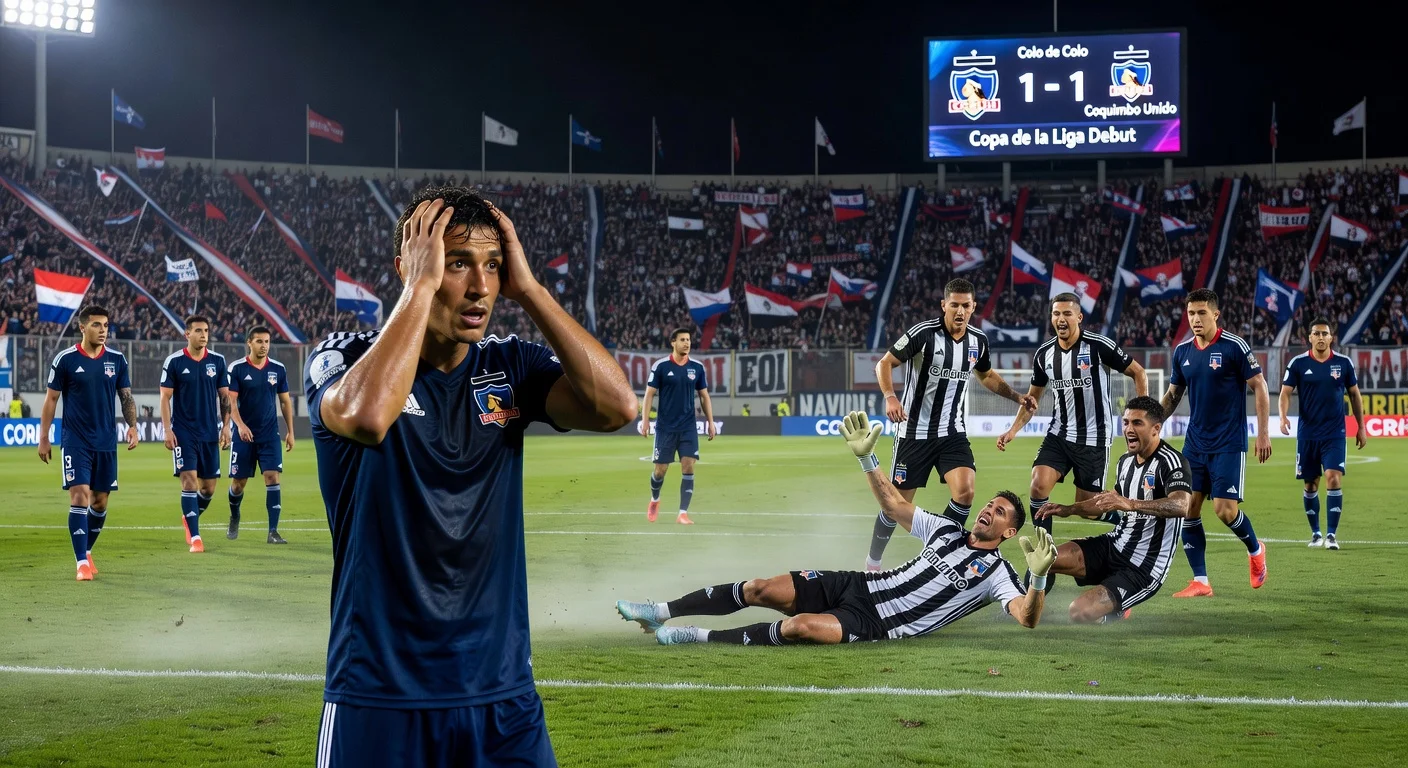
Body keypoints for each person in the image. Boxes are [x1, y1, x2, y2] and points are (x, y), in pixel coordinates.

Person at [306, 189, 636, 767]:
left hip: (503, 697)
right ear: (410, 265)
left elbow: (618, 407)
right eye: (457, 262)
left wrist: (530, 290)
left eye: (492, 266)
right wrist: (420, 288)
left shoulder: (510, 367)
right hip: (380, 697)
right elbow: (366, 416)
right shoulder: (344, 358)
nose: (481, 287)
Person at [615, 411, 1052, 645]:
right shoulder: (944, 530)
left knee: (799, 627)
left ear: (1010, 533)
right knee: (761, 587)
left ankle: (697, 636)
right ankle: (660, 611)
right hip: (856, 584)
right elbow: (893, 504)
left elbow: (1026, 618)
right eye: (989, 505)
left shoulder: (998, 575)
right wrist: (868, 458)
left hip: (877, 622)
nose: (988, 511)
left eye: (998, 513)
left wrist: (1036, 577)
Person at [866, 278, 1036, 570]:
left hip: (952, 433)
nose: (960, 311)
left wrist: (1017, 396)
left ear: (973, 307)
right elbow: (884, 363)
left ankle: (939, 556)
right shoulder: (923, 334)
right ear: (944, 305)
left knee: (966, 492)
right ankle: (873, 561)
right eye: (954, 304)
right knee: (895, 506)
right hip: (914, 434)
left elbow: (987, 376)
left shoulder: (977, 342)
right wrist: (890, 397)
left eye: (965, 305)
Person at [997, 293, 1148, 589]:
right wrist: (1013, 429)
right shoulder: (1044, 355)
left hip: (1094, 438)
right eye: (1055, 314)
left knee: (1088, 507)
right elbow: (1033, 400)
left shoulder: (1097, 346)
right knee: (1038, 485)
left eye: (1067, 313)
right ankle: (1045, 558)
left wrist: (1142, 415)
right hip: (1059, 434)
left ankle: (1127, 516)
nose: (1060, 319)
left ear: (1079, 317)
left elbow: (1138, 371)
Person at [1035, 397, 1190, 622]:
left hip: (1143, 568)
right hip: (1113, 546)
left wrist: (1131, 504)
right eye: (1126, 422)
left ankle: (1114, 611)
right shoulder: (1125, 462)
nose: (1128, 429)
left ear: (1156, 428)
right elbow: (1107, 502)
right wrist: (1070, 509)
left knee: (1078, 612)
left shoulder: (1172, 462)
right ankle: (1029, 610)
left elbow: (1181, 505)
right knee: (1044, 560)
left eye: (1137, 423)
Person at [1160, 289, 1270, 596]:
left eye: (1201, 313)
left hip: (1228, 443)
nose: (1195, 319)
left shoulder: (1234, 346)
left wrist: (1262, 433)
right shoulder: (1182, 352)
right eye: (1191, 314)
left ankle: (1255, 550)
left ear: (1215, 314)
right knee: (1187, 508)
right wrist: (1153, 421)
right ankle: (1201, 582)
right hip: (1195, 444)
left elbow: (1259, 387)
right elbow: (1172, 396)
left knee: (1224, 510)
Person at [37, 305, 138, 581]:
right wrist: (44, 436)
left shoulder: (117, 360)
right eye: (96, 325)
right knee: (79, 495)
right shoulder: (66, 359)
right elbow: (51, 400)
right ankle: (81, 562)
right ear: (82, 328)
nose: (103, 330)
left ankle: (87, 550)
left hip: (105, 441)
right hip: (75, 440)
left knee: (100, 502)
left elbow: (126, 396)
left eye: (105, 325)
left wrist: (132, 427)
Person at [1278, 318, 1366, 549]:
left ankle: (1331, 535)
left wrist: (1361, 427)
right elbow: (1285, 393)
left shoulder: (1343, 363)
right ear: (1309, 337)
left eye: (1324, 334)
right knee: (1310, 485)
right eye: (1316, 333)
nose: (1320, 337)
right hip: (1307, 435)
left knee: (1333, 478)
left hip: (1334, 433)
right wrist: (1283, 416)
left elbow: (1355, 395)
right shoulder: (1297, 363)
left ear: (1331, 337)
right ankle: (1316, 533)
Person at [160, 315, 231, 554]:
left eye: (206, 331)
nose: (204, 335)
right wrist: (167, 429)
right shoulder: (175, 362)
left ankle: (189, 517)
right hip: (183, 433)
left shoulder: (218, 362)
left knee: (208, 489)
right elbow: (165, 397)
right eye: (198, 330)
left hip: (209, 433)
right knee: (189, 482)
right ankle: (196, 537)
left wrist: (226, 426)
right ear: (187, 334)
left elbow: (224, 397)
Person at [225, 325, 295, 544]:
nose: (264, 346)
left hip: (269, 435)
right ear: (249, 343)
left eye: (267, 342)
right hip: (243, 436)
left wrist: (290, 431)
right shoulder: (237, 369)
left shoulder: (278, 369)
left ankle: (273, 531)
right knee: (239, 484)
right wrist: (240, 425)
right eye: (259, 342)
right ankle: (235, 515)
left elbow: (284, 401)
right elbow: (231, 402)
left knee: (272, 477)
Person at [639, 328, 715, 525]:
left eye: (688, 340)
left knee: (688, 465)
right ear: (673, 342)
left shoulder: (697, 368)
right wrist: (645, 420)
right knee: (660, 470)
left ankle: (682, 513)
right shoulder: (661, 366)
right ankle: (655, 499)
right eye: (682, 340)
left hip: (688, 427)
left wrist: (711, 422)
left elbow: (704, 396)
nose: (687, 343)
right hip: (665, 428)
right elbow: (649, 394)